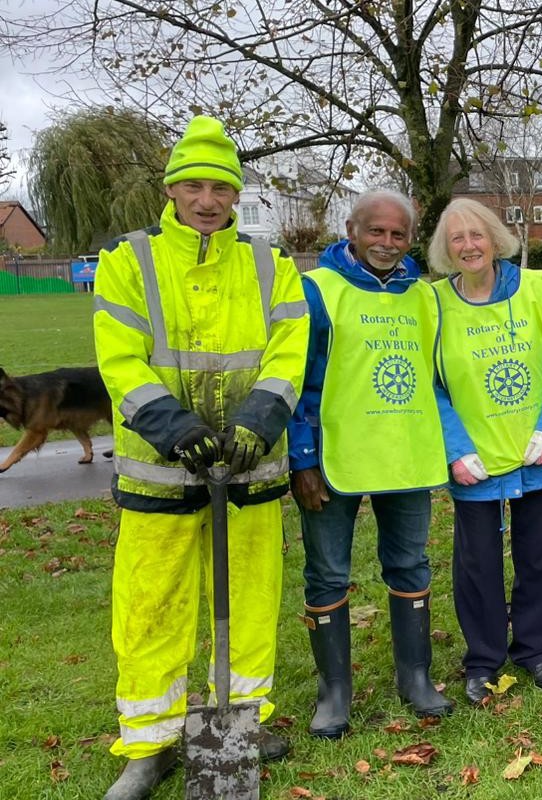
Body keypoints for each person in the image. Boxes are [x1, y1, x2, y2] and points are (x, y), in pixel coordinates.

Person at [93, 115, 308, 799]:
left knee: (248, 600)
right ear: (172, 189)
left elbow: (288, 351)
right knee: (151, 603)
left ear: (236, 193)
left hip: (248, 467)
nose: (208, 200)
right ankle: (149, 743)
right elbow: (120, 357)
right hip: (161, 470)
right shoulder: (130, 261)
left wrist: (258, 421)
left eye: (221, 187)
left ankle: (239, 722)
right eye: (195, 186)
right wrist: (170, 423)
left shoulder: (270, 263)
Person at [288, 189, 453, 737]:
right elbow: (295, 380)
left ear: (412, 238)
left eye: (398, 234)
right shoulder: (317, 290)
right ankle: (334, 693)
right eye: (375, 232)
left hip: (405, 457)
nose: (387, 243)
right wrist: (302, 458)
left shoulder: (426, 296)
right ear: (351, 230)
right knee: (328, 572)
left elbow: (441, 380)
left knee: (410, 565)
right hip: (334, 460)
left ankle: (416, 677)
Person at [429, 199, 542, 704]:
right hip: (476, 463)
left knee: (539, 558)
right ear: (446, 250)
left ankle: (533, 651)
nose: (469, 245)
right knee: (478, 567)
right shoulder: (434, 305)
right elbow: (433, 387)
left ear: (495, 239)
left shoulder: (536, 288)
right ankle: (483, 660)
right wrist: (455, 448)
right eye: (457, 239)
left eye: (477, 235)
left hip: (539, 453)